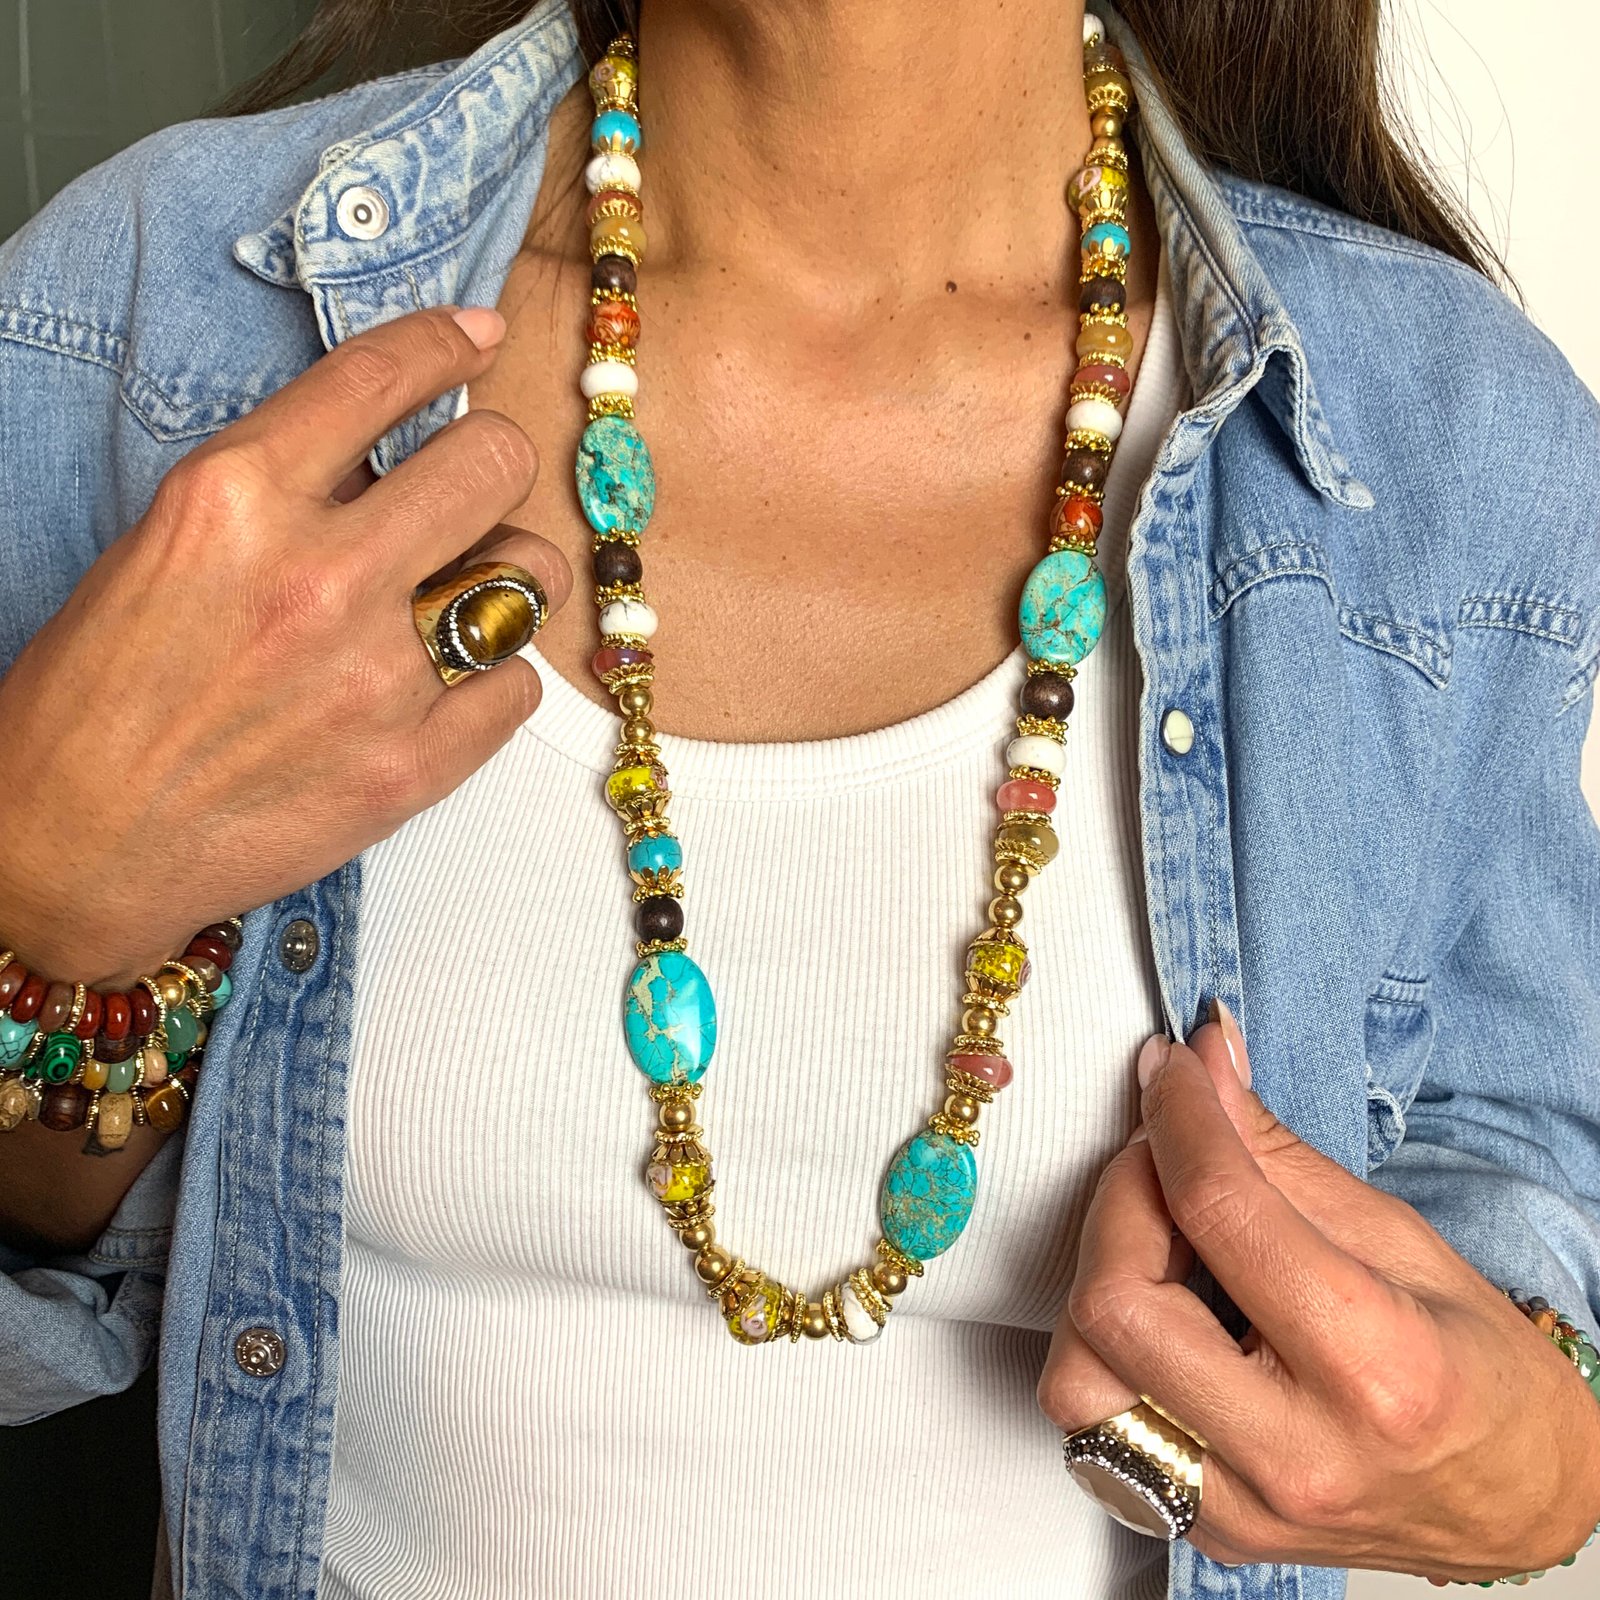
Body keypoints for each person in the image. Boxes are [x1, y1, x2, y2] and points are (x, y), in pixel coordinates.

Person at [1, 1, 1597, 1596]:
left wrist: (1551, 1455)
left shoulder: (1449, 436)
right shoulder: (147, 317)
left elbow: (1516, 1149)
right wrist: (40, 898)